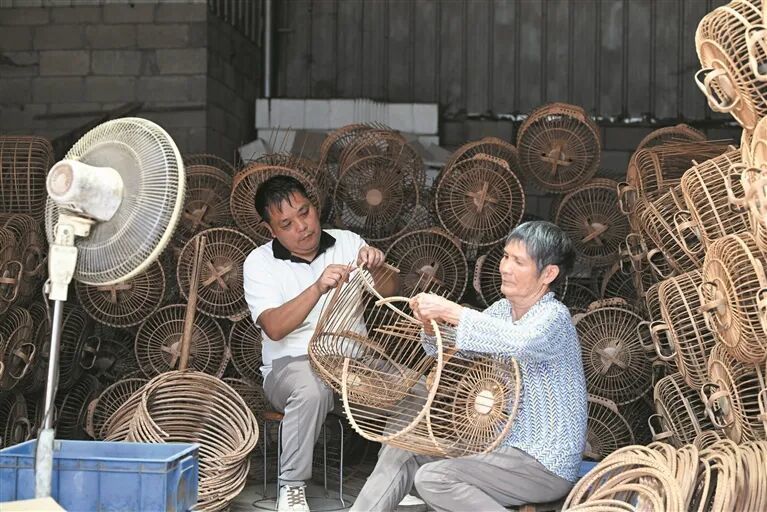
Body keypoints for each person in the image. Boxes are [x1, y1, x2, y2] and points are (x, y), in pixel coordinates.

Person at [351, 221, 588, 512]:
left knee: (434, 479)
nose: (505, 268)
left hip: (543, 462)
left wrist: (452, 311)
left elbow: (520, 341)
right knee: (403, 450)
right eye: (505, 256)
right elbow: (448, 348)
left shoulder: (554, 317)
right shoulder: (501, 310)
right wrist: (430, 325)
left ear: (548, 274)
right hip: (498, 448)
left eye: (518, 262)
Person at [243, 175, 397, 512]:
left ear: (314, 207)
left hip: (354, 364)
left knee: (412, 391)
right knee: (314, 388)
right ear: (270, 230)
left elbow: (389, 292)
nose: (302, 227)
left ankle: (394, 479)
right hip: (292, 366)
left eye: (305, 212)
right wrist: (316, 288)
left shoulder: (348, 242)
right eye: (287, 224)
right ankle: (292, 488)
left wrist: (378, 264)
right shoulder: (259, 262)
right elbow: (274, 327)